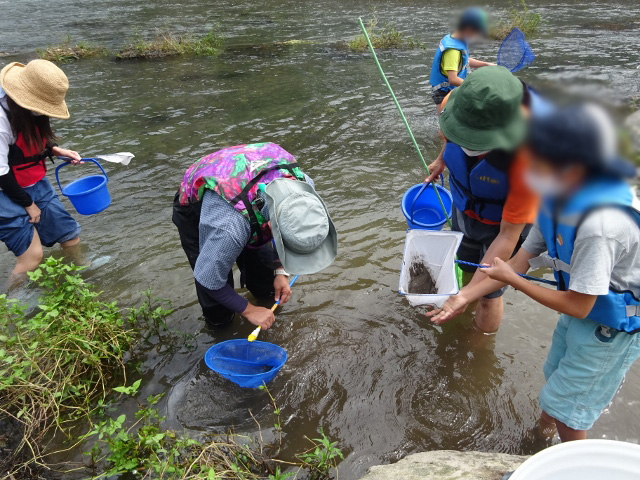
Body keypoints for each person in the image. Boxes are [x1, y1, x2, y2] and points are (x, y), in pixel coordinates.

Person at [429, 104, 640, 442]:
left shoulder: (600, 226)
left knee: (572, 413)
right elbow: (521, 259)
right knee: (554, 373)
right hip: (586, 304)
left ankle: (570, 463)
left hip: (610, 328)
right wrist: (463, 297)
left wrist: (514, 282)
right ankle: (541, 432)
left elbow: (577, 305)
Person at [172, 142, 338, 330]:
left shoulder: (305, 191)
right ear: (269, 226)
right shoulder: (229, 227)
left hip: (249, 190)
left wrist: (281, 271)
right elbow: (208, 277)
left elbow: (288, 229)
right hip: (201, 199)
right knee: (218, 307)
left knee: (266, 283)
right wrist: (248, 310)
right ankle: (221, 328)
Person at [426, 66, 539, 333]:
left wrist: (471, 294)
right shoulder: (454, 102)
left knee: (488, 297)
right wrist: (443, 159)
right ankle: (465, 300)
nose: (468, 143)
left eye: (476, 140)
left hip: (502, 226)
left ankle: (480, 349)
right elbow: (450, 133)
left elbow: (508, 236)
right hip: (465, 210)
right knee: (466, 267)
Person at [0, 60, 82, 278]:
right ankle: (12, 307)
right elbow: (1, 172)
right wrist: (29, 205)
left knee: (70, 235)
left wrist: (55, 149)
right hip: (4, 191)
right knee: (32, 257)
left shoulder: (26, 110)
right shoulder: (1, 119)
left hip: (33, 183)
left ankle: (80, 278)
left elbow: (28, 140)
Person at [429, 7, 494, 109]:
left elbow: (463, 61)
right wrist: (474, 88)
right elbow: (453, 79)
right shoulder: (453, 51)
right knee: (446, 121)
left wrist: (486, 64)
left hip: (453, 89)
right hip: (443, 92)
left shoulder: (455, 38)